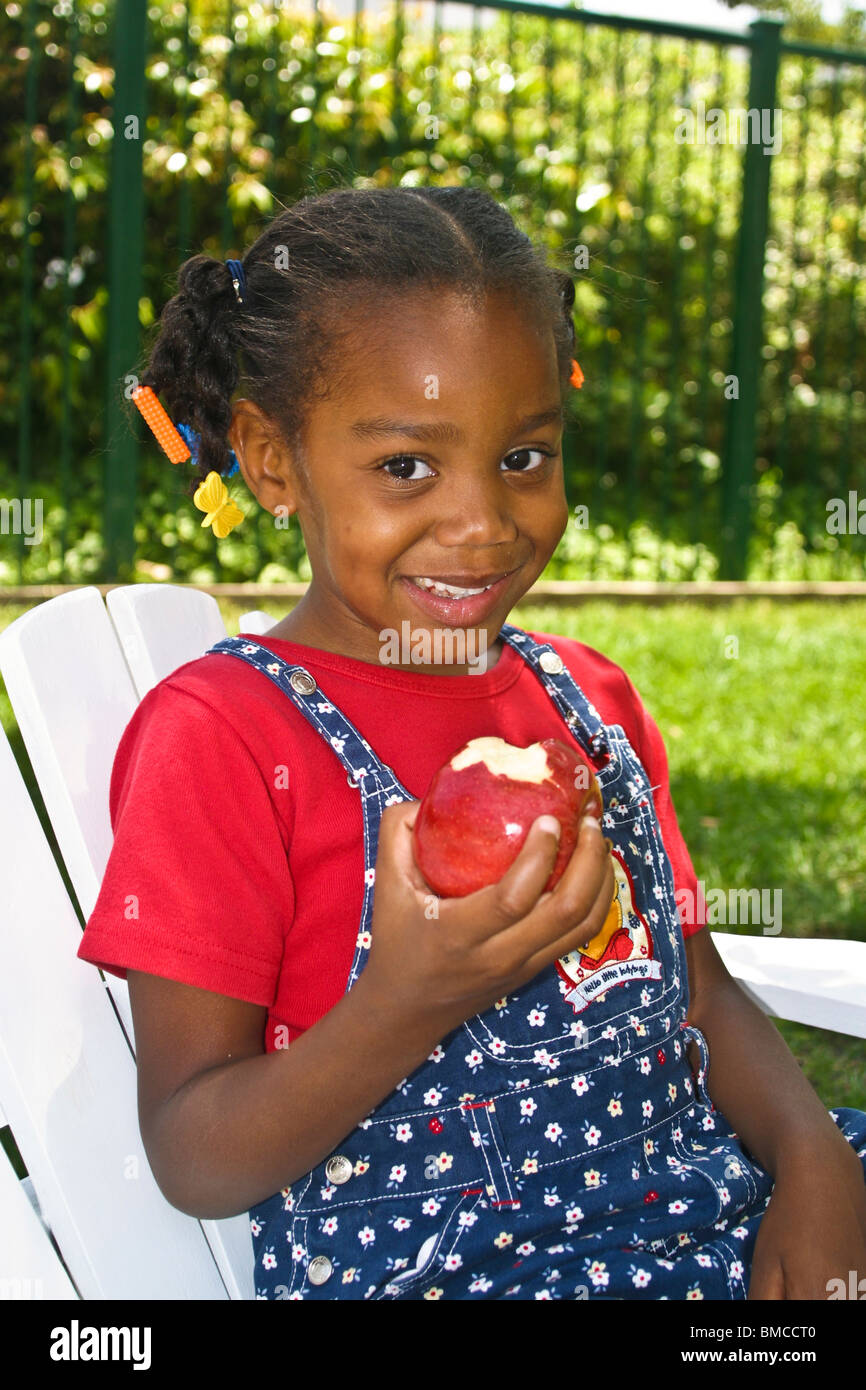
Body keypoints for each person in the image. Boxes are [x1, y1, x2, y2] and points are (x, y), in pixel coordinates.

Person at [77, 185, 866, 1301]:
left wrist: (810, 1159)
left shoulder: (587, 701)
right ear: (269, 460)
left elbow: (699, 991)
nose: (484, 523)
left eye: (523, 456)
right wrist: (408, 998)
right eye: (406, 466)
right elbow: (195, 1151)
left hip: (707, 1207)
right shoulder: (227, 740)